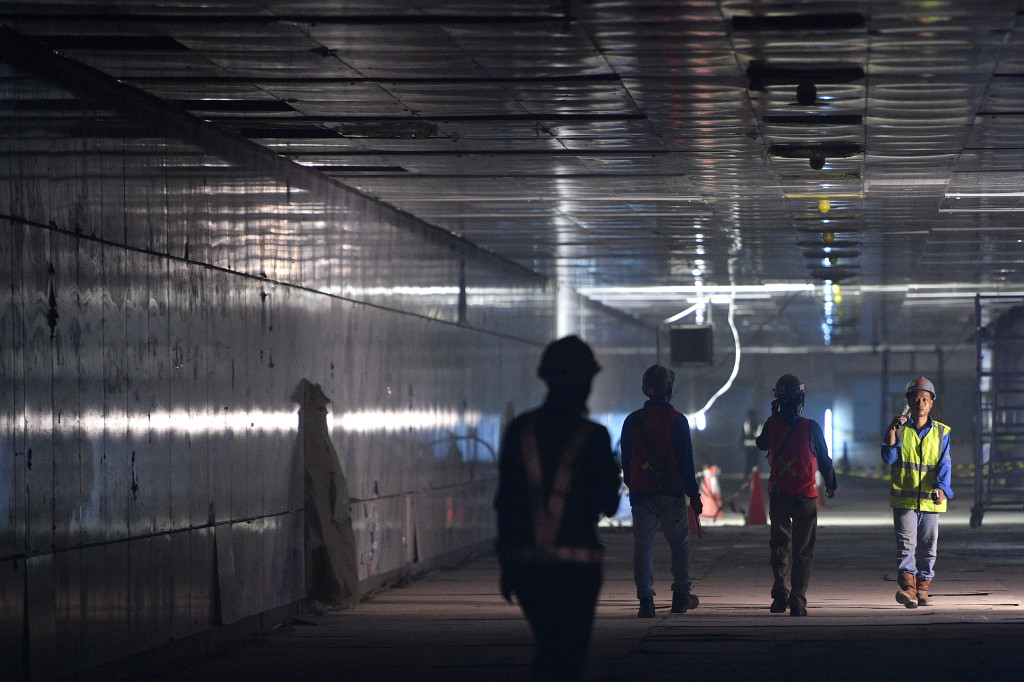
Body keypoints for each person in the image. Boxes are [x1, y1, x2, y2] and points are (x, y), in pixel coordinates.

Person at [494, 336, 621, 681]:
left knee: (549, 649)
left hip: (526, 564)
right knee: (569, 656)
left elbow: (505, 501)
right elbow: (608, 504)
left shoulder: (520, 430)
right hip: (578, 565)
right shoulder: (593, 436)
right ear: (585, 383)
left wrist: (506, 563)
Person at [620, 364, 703, 619]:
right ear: (669, 389)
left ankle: (646, 601)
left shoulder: (632, 420)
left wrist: (635, 485)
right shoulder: (677, 421)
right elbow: (686, 463)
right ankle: (680, 597)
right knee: (679, 542)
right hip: (671, 492)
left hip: (641, 492)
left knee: (642, 545)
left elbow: (626, 459)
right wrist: (694, 495)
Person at [755, 374, 837, 616]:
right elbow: (824, 459)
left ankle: (779, 593)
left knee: (779, 545)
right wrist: (831, 483)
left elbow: (761, 444)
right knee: (803, 550)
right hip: (805, 499)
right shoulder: (812, 427)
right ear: (802, 399)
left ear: (778, 401)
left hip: (779, 496)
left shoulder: (772, 425)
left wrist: (773, 416)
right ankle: (798, 601)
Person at [882, 376, 953, 609]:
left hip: (931, 502)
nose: (920, 403)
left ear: (932, 402)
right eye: (915, 398)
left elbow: (945, 464)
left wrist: (942, 488)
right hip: (905, 500)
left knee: (928, 546)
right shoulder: (900, 430)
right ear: (908, 402)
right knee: (906, 545)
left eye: (925, 398)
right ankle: (908, 590)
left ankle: (923, 589)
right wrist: (892, 430)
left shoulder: (942, 432)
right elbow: (889, 457)